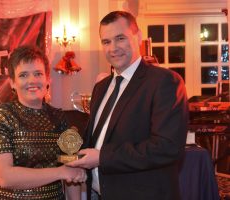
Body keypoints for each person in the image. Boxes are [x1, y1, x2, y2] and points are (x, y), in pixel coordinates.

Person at [67, 11, 189, 200]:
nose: (113, 48)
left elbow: (167, 147)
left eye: (120, 38)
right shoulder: (101, 87)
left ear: (138, 37)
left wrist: (102, 157)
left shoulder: (164, 81)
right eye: (106, 42)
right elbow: (98, 138)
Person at [0, 46, 85, 200]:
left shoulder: (60, 117)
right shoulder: (1, 115)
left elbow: (72, 169)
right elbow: (4, 177)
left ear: (47, 79)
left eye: (38, 74)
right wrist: (61, 172)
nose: (32, 80)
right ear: (12, 82)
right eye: (23, 75)